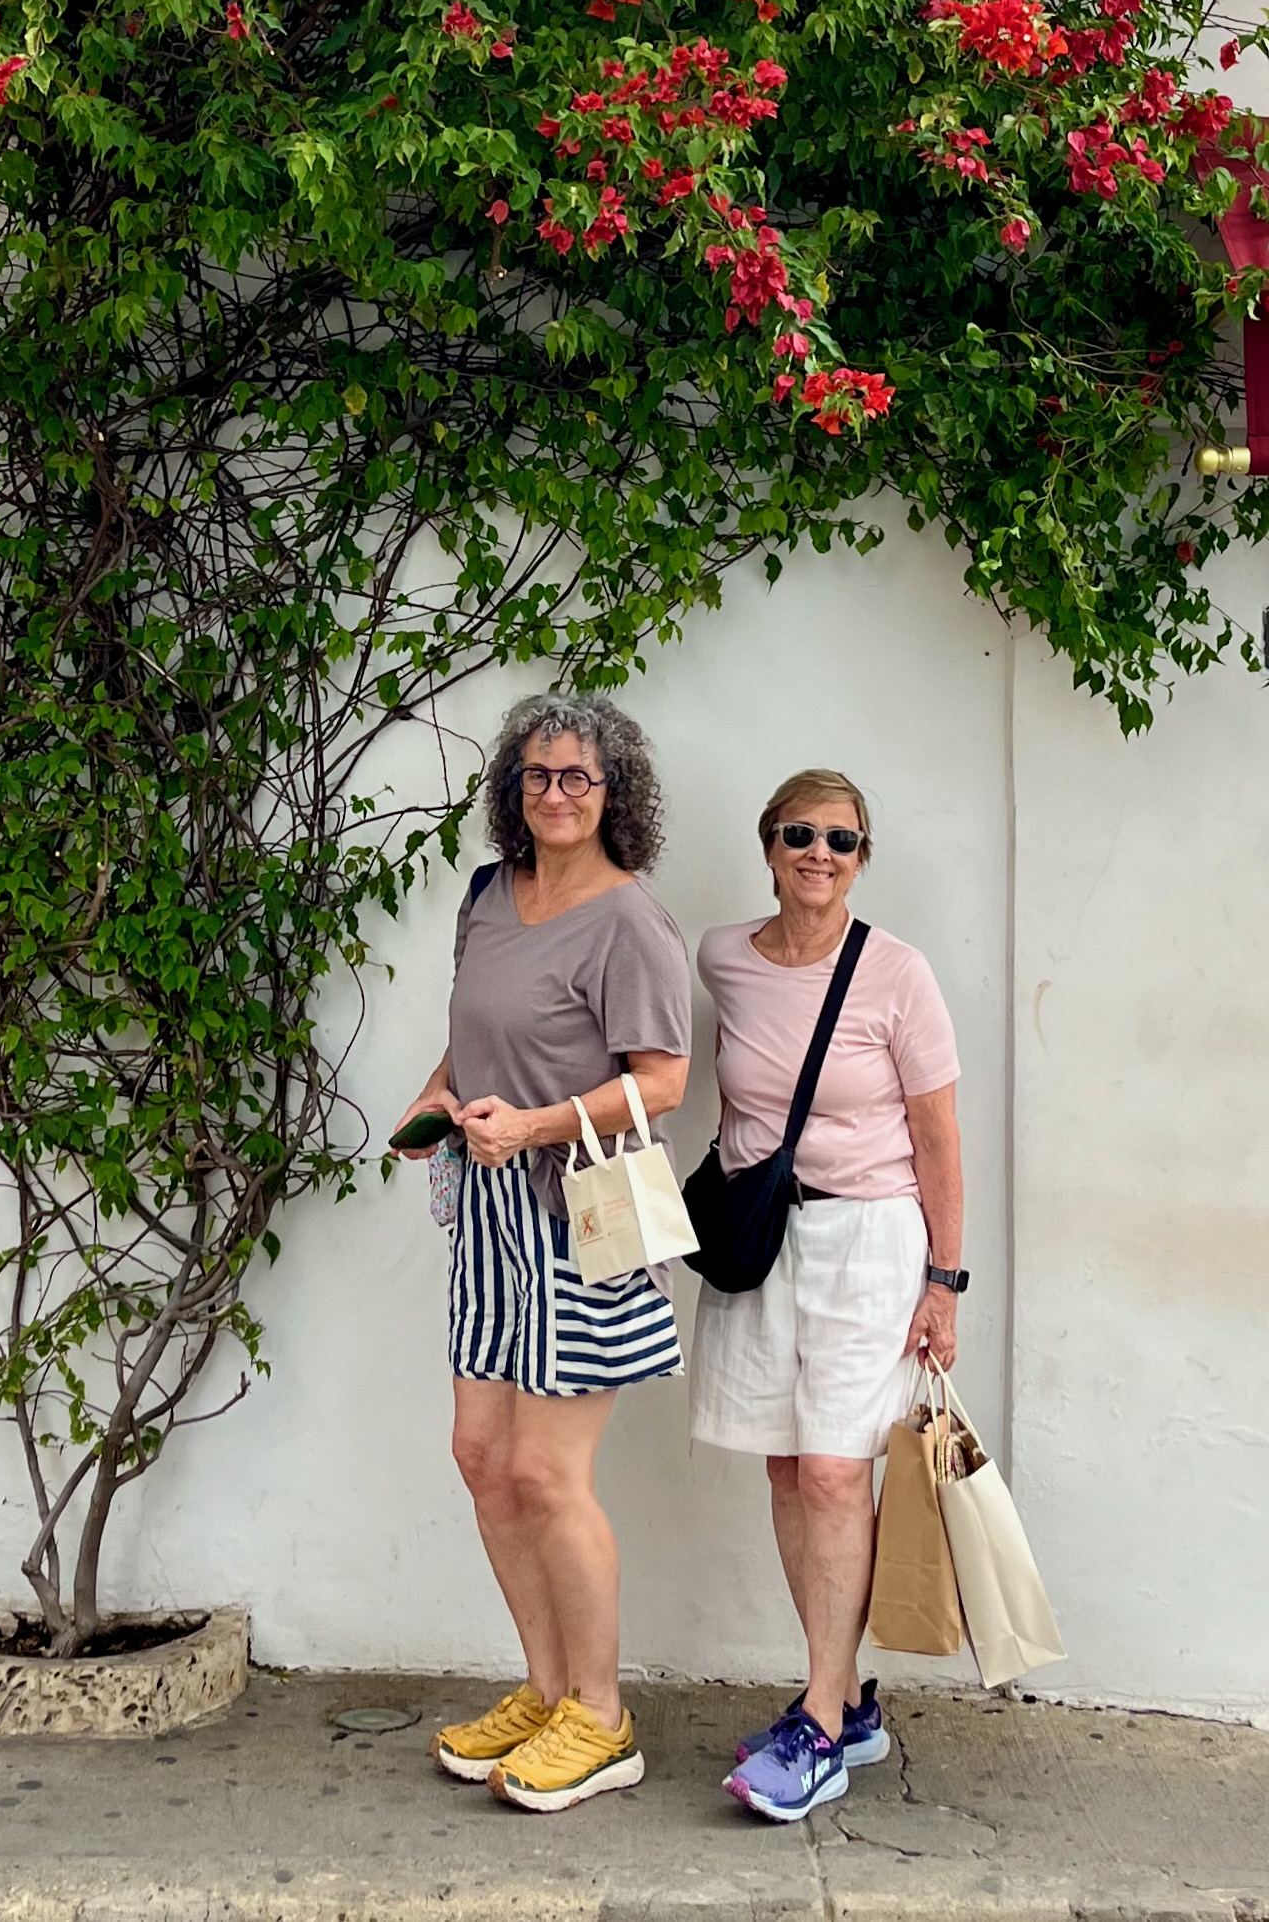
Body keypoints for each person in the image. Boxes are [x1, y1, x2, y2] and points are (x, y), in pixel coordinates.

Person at [392, 692, 692, 1815]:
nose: (555, 793)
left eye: (577, 776)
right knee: (481, 1454)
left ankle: (603, 1720)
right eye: (536, 774)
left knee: (545, 1473)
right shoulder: (488, 895)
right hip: (487, 1208)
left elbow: (662, 1082)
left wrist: (533, 1124)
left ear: (614, 792)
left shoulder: (631, 922)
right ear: (511, 790)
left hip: (581, 1211)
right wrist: (437, 1093)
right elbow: (474, 1031)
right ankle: (547, 1687)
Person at [688, 767, 964, 1826]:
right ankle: (842, 1702)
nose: (819, 853)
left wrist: (944, 1281)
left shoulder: (897, 972)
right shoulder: (723, 955)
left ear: (861, 858)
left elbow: (937, 1134)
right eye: (800, 834)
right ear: (768, 845)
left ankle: (816, 1722)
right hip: (766, 1237)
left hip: (869, 1239)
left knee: (838, 1470)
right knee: (784, 1461)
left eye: (840, 840)